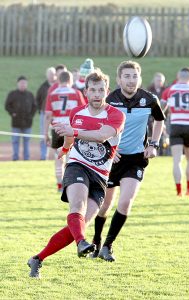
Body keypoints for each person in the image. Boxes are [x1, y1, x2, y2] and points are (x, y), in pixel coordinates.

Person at [27, 70, 125, 278]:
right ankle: (82, 243)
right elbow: (70, 140)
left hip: (100, 175)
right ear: (86, 92)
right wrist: (63, 150)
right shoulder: (77, 113)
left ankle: (37, 259)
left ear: (107, 91)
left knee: (79, 225)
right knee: (77, 207)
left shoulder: (116, 115)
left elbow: (101, 136)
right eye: (93, 90)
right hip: (77, 165)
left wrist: (74, 132)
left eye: (101, 90)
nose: (97, 94)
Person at [90, 61, 165, 262]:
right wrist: (108, 149)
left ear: (139, 79)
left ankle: (108, 246)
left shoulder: (150, 99)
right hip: (111, 159)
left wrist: (154, 144)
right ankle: (96, 241)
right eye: (127, 76)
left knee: (126, 202)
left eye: (134, 76)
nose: (131, 80)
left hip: (136, 160)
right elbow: (97, 126)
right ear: (119, 79)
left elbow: (159, 120)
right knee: (105, 206)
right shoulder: (109, 100)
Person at [161, 67, 189, 196]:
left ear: (178, 76)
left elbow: (161, 110)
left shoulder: (169, 90)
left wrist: (161, 125)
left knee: (177, 160)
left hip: (176, 126)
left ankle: (179, 191)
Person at [44, 70, 86, 192]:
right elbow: (82, 112)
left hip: (57, 129)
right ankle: (69, 183)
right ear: (70, 80)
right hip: (70, 129)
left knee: (58, 158)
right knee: (70, 158)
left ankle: (59, 185)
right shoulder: (76, 93)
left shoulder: (52, 94)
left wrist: (45, 133)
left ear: (58, 80)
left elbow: (47, 115)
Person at [5, 76, 37, 161]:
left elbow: (34, 107)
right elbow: (7, 105)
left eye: (24, 83)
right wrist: (13, 113)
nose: (23, 85)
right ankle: (15, 158)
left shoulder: (30, 95)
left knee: (26, 141)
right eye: (21, 83)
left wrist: (31, 116)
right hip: (16, 123)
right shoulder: (12, 94)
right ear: (18, 84)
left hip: (27, 123)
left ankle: (26, 159)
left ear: (26, 84)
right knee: (15, 141)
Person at [36, 67, 56, 160]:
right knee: (44, 134)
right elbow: (38, 99)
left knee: (58, 134)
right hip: (45, 114)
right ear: (47, 75)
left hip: (57, 114)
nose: (51, 76)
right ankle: (44, 156)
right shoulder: (43, 86)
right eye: (49, 74)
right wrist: (41, 109)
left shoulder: (58, 85)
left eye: (53, 74)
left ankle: (58, 155)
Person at [147, 72, 169, 155]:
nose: (159, 82)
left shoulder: (166, 90)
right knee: (151, 134)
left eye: (160, 80)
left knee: (163, 134)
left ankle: (163, 152)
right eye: (157, 80)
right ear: (154, 81)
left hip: (164, 116)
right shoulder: (149, 90)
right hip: (151, 116)